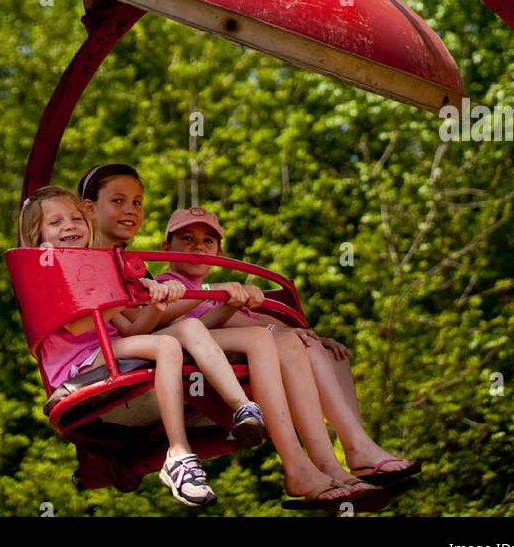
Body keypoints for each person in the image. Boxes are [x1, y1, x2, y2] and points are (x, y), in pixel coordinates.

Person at [77, 165, 390, 510]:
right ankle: (298, 457)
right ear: (89, 208)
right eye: (118, 201)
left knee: (274, 339)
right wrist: (206, 292)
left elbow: (145, 320)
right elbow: (144, 323)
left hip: (168, 339)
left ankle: (323, 462)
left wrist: (226, 303)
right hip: (118, 356)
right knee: (263, 337)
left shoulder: (133, 267)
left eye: (136, 202)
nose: (130, 210)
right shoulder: (90, 262)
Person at [19, 185, 265, 508]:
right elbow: (79, 323)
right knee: (165, 346)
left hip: (108, 350)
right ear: (36, 236)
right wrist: (125, 296)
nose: (69, 226)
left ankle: (241, 407)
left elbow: (133, 327)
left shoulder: (96, 269)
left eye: (76, 218)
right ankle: (178, 453)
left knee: (187, 326)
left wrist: (154, 303)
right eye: (56, 222)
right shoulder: (45, 270)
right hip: (78, 365)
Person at [155, 206, 421, 489]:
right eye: (186, 238)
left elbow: (256, 318)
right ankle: (324, 464)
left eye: (208, 241)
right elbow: (188, 329)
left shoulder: (218, 290)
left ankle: (356, 447)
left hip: (242, 344)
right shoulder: (170, 285)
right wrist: (255, 319)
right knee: (287, 341)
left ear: (219, 253)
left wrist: (303, 333)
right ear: (166, 247)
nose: (198, 246)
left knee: (327, 351)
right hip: (210, 356)